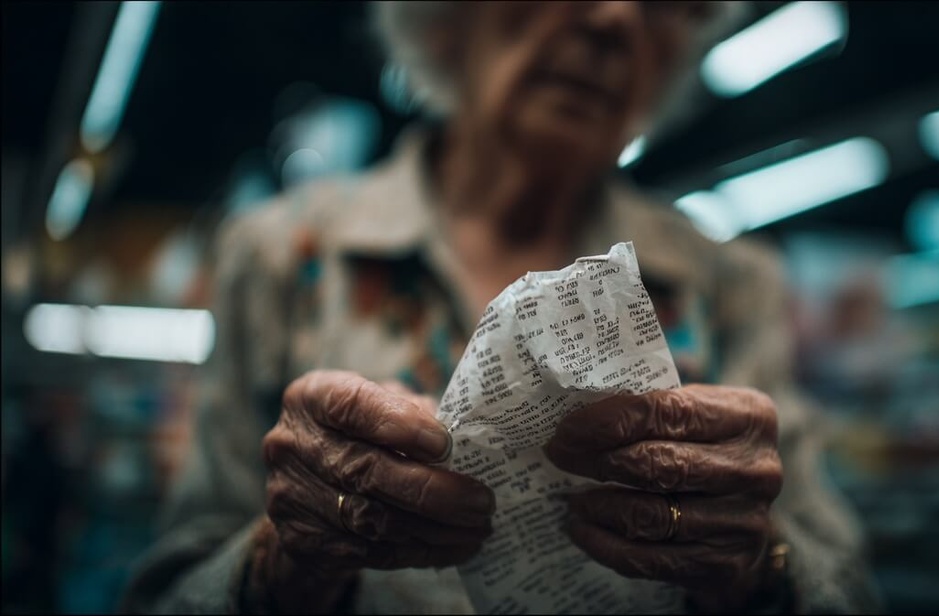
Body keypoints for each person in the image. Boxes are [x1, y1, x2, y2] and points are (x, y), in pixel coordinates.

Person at [120, 2, 882, 613]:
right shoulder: (284, 256)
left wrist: (760, 564)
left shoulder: (729, 282)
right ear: (446, 16)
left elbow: (845, 587)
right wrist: (278, 560)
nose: (615, 17)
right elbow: (170, 585)